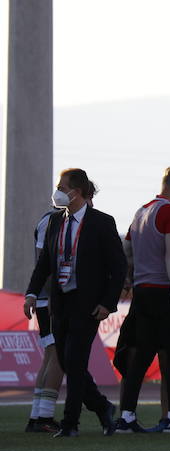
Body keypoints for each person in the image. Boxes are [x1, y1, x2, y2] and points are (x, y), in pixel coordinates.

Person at [24, 169, 125, 437]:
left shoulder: (102, 222)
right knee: (69, 363)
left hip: (88, 304)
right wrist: (32, 293)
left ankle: (70, 424)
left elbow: (118, 267)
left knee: (75, 360)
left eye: (62, 186)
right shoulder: (56, 221)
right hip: (60, 302)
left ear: (76, 192)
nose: (57, 191)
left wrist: (107, 303)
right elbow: (45, 262)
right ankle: (102, 407)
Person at [113, 166, 170, 434]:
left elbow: (127, 251)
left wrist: (129, 280)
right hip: (163, 291)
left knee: (140, 357)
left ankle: (126, 416)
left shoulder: (141, 212)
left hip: (142, 292)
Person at [25, 203, 66, 433]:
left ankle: (37, 415)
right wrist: (51, 293)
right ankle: (44, 416)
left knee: (50, 356)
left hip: (45, 297)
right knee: (58, 355)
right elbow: (45, 261)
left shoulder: (48, 219)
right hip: (49, 299)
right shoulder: (53, 221)